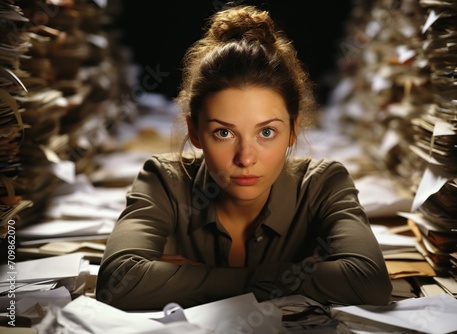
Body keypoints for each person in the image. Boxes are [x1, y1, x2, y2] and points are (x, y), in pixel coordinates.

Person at [96, 4, 392, 310]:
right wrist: (293, 275)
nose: (245, 158)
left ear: (292, 131)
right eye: (224, 133)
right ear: (194, 132)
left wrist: (187, 278)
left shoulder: (323, 183)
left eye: (266, 133)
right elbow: (119, 282)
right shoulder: (163, 180)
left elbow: (369, 283)